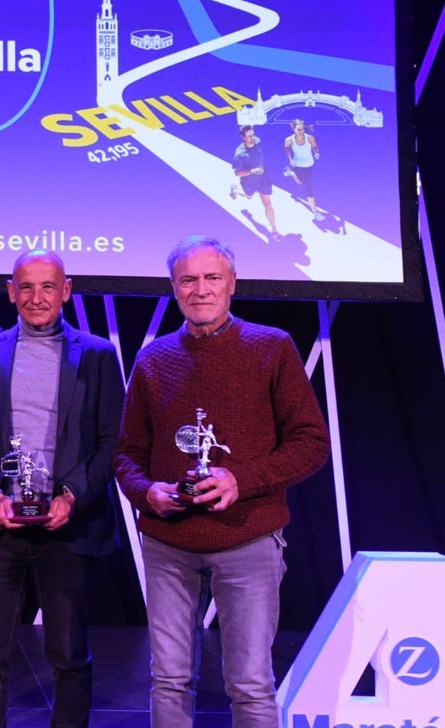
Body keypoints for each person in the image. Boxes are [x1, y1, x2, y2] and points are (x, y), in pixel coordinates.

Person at [114, 236, 329, 727]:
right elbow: (126, 454)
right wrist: (146, 492)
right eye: (188, 279)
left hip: (248, 538)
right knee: (168, 680)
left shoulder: (271, 347)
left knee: (251, 684)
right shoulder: (153, 359)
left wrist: (241, 479)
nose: (201, 289)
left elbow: (311, 442)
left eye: (212, 278)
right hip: (169, 542)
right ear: (174, 288)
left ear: (232, 284)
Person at [0, 250, 124, 728]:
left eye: (48, 286)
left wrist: (72, 497)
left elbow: (113, 439)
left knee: (68, 653)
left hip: (68, 527)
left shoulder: (97, 355)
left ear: (66, 290)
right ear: (11, 293)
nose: (36, 297)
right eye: (25, 287)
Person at [228, 125, 281, 241]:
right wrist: (252, 171)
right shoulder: (240, 154)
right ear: (243, 137)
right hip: (249, 181)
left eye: (253, 134)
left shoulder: (258, 141)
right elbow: (237, 173)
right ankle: (235, 191)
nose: (253, 138)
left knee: (268, 204)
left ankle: (274, 229)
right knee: (249, 197)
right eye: (249, 136)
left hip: (263, 177)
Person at [283, 119, 325, 222]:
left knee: (301, 182)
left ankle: (291, 173)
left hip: (309, 165)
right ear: (294, 129)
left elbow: (315, 147)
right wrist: (290, 159)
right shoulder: (289, 140)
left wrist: (316, 153)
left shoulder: (310, 138)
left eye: (302, 129)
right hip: (297, 165)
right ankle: (315, 212)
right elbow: (286, 149)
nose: (301, 131)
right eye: (298, 129)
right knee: (308, 188)